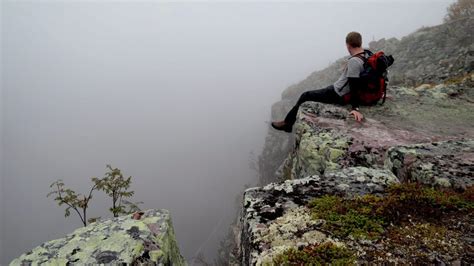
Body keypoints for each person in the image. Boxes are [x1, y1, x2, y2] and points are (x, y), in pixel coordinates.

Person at [272, 31, 367, 133]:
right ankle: (288, 123)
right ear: (360, 42)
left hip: (337, 93)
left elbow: (354, 84)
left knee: (305, 95)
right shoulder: (365, 55)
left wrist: (355, 108)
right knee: (314, 93)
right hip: (338, 89)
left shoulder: (354, 61)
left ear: (348, 45)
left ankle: (287, 124)